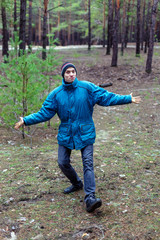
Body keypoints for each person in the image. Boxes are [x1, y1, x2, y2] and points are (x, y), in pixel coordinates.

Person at [15, 62, 141, 213]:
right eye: (67, 72)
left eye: (73, 71)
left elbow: (107, 97)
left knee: (88, 163)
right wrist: (26, 120)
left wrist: (127, 98)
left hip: (86, 132)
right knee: (62, 162)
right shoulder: (56, 94)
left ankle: (90, 198)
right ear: (63, 75)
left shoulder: (87, 88)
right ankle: (76, 183)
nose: (71, 74)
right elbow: (44, 113)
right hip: (66, 134)